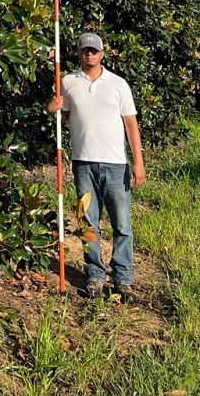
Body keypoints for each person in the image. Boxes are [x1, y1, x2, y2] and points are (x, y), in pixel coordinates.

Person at [47, 32, 145, 303]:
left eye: (94, 50)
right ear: (78, 54)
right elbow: (63, 116)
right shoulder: (67, 82)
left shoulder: (118, 84)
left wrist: (138, 161)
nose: (89, 54)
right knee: (87, 222)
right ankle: (94, 275)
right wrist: (52, 108)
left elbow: (131, 124)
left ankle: (123, 278)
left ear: (102, 54)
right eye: (84, 50)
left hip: (116, 164)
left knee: (122, 224)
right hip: (83, 163)